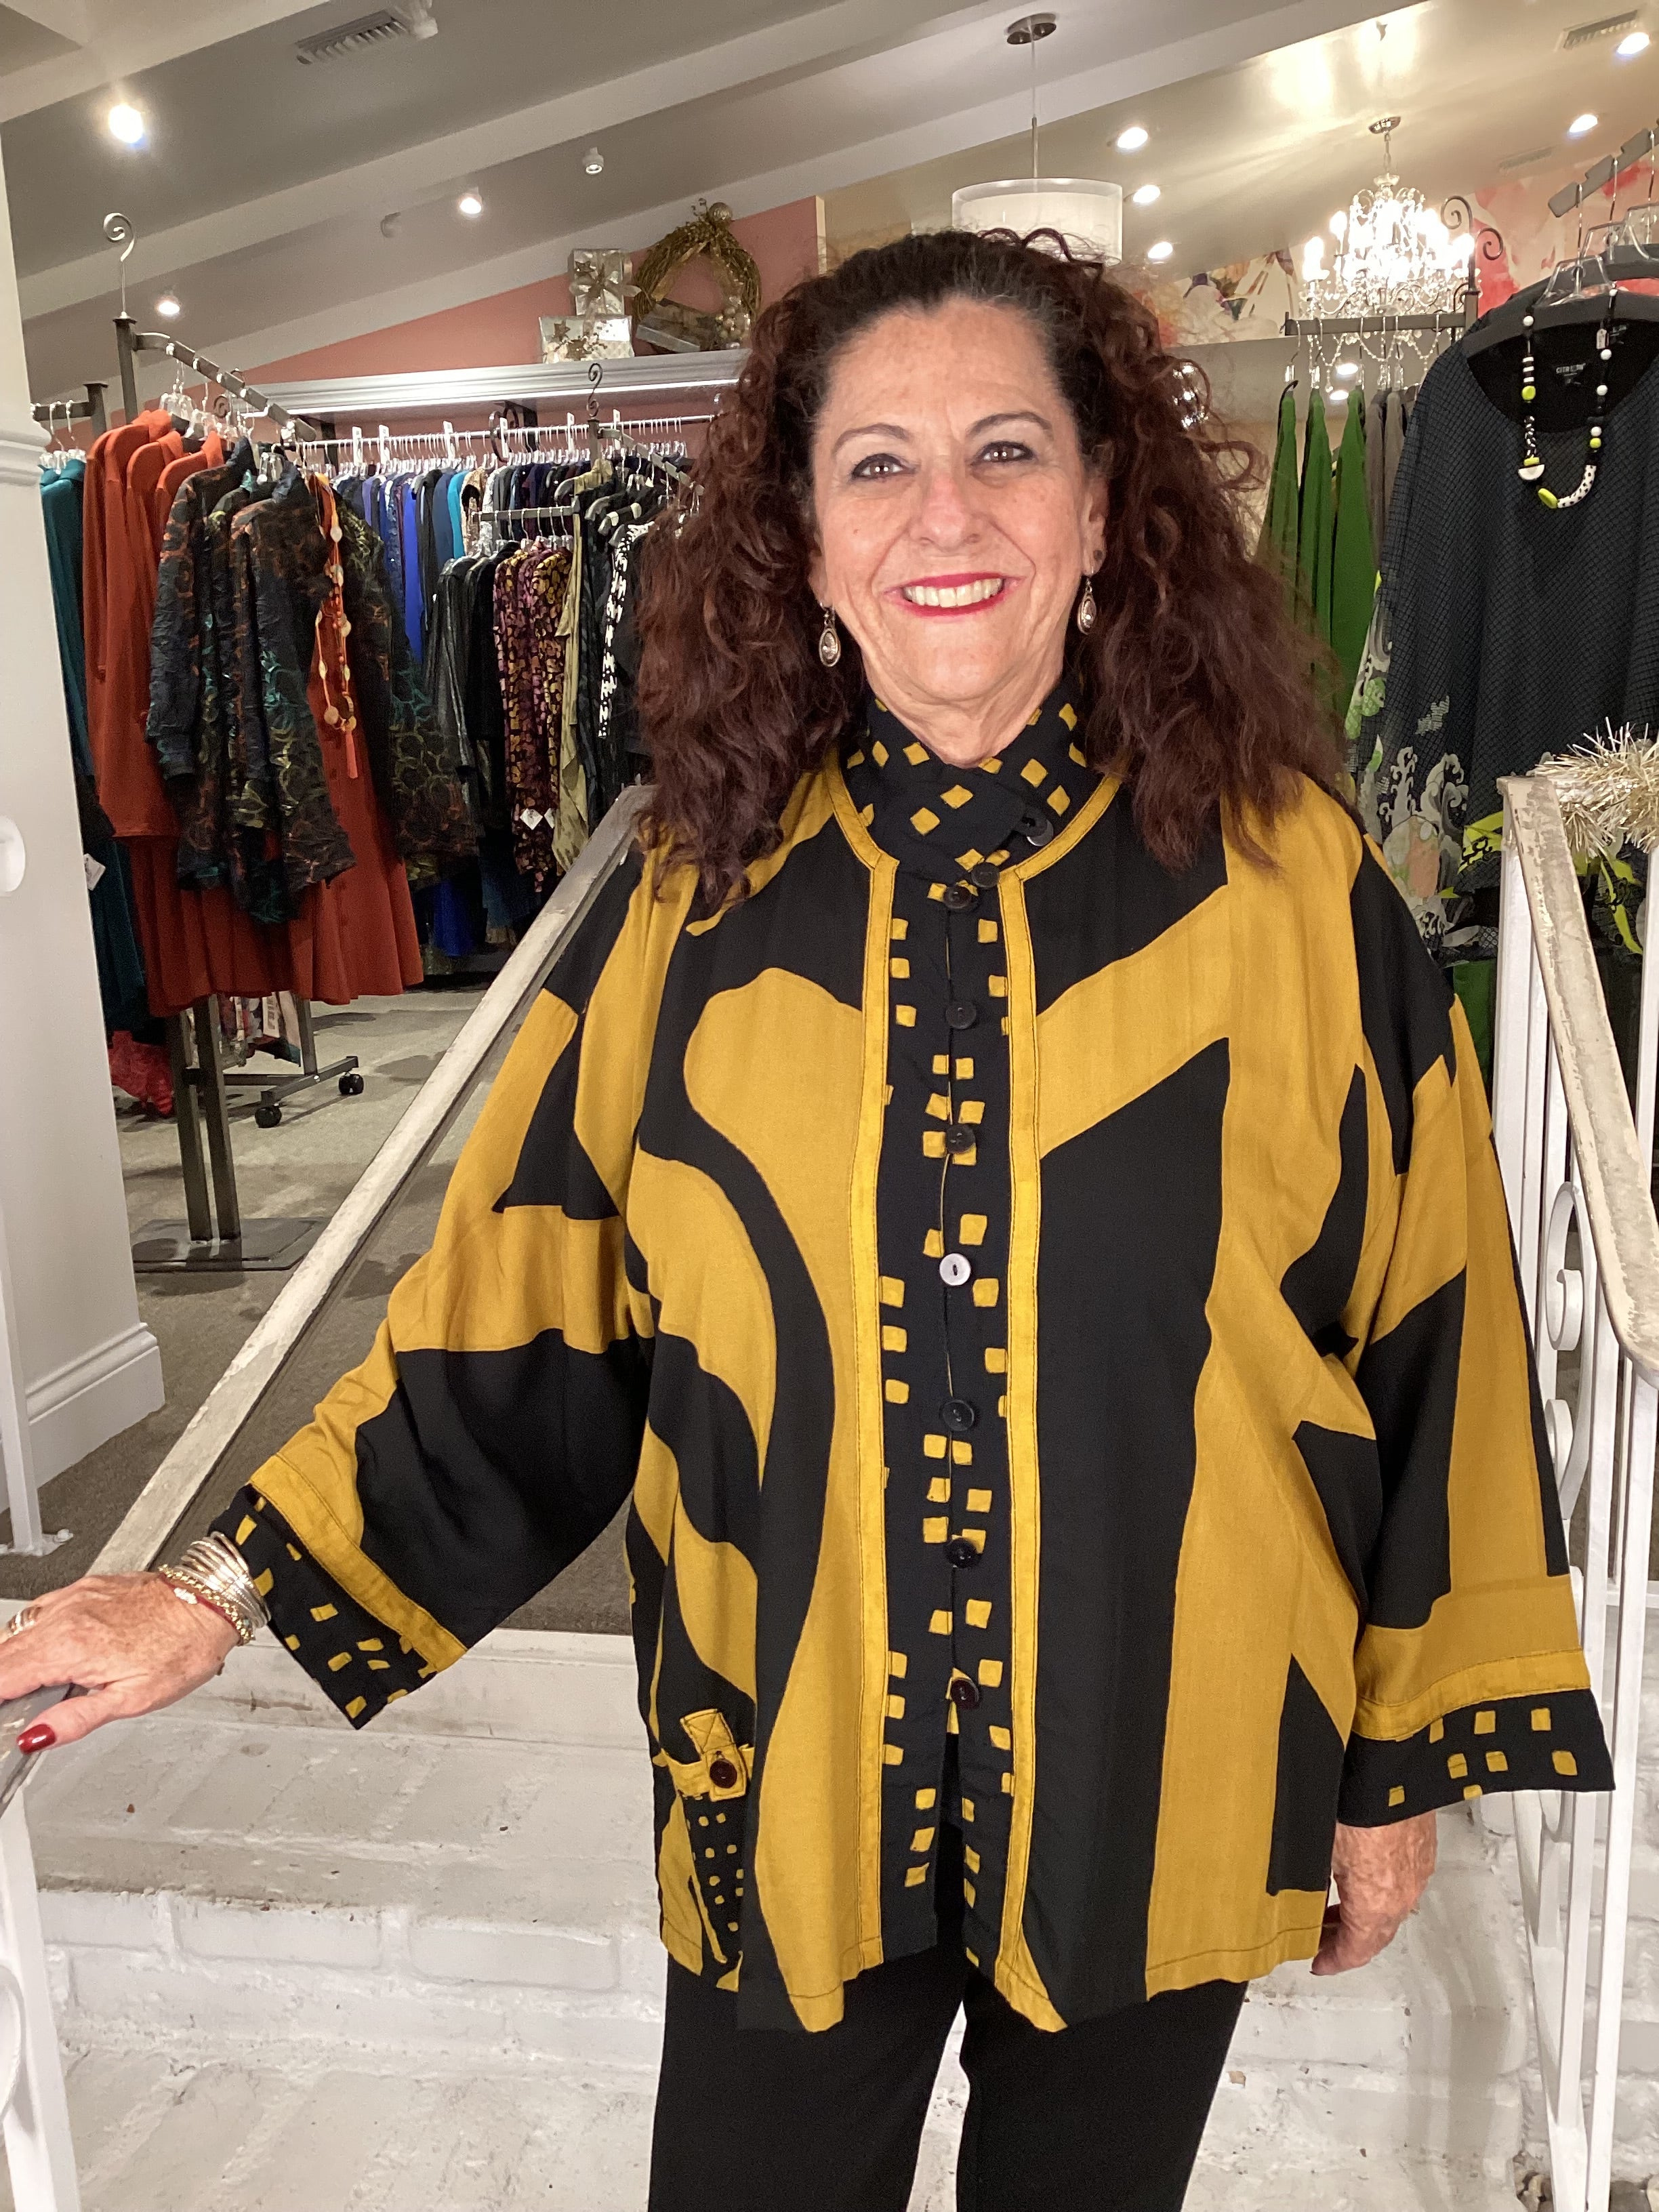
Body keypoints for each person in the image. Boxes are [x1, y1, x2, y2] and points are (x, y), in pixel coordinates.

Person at [0, 231, 1610, 2211]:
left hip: (1178, 1755)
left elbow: (1439, 1338)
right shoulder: (693, 907)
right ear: (811, 546)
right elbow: (519, 1322)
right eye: (878, 466)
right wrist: (214, 1587)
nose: (948, 515)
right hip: (785, 1775)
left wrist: (1400, 1766)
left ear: (1105, 510)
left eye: (1008, 451)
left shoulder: (1301, 893)